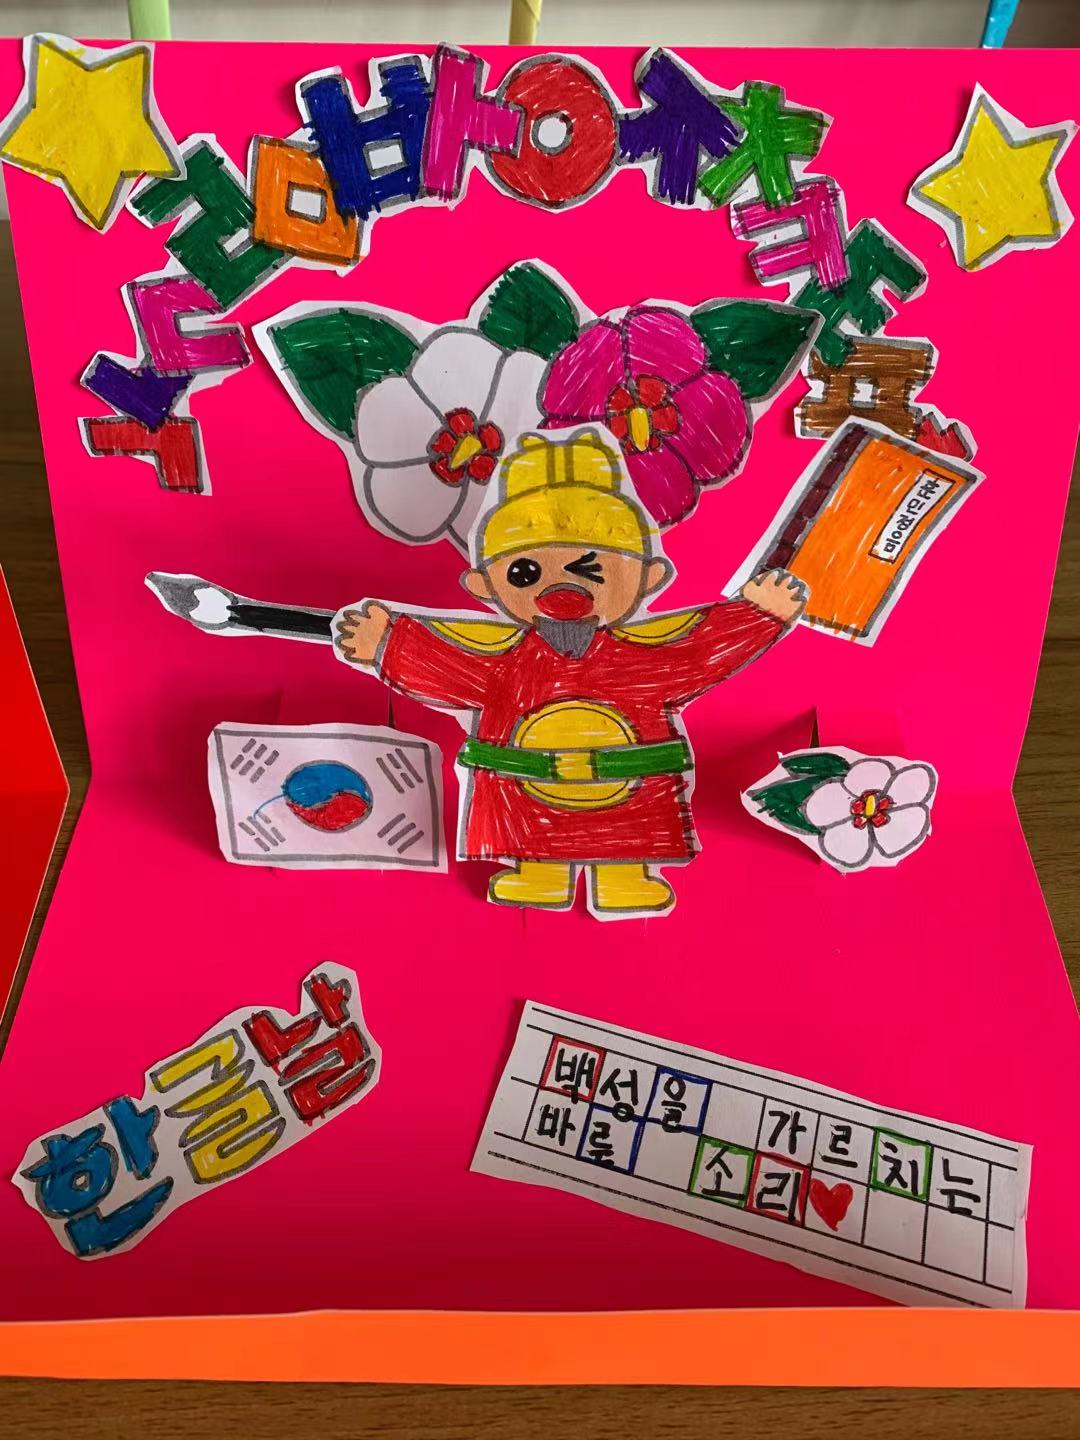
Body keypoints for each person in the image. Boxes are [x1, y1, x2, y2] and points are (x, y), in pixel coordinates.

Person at [335, 429, 806, 918]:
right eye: (524, 573)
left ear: (649, 577)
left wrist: (757, 616)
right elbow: (449, 669)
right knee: (533, 837)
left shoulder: (646, 660)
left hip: (631, 798)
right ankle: (538, 874)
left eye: (592, 569)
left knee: (628, 837)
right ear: (484, 585)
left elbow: (700, 653)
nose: (559, 586)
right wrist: (387, 644)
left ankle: (626, 877)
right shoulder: (503, 664)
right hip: (524, 802)